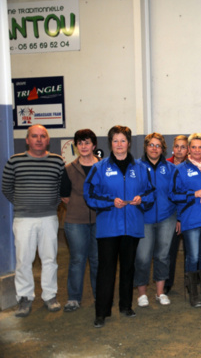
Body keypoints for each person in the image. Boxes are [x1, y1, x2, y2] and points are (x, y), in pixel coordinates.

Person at [84, 125, 154, 328]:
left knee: (128, 267)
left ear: (129, 143)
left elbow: (151, 193)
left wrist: (142, 199)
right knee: (105, 269)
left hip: (132, 226)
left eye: (123, 140)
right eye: (115, 141)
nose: (119, 145)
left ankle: (126, 305)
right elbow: (89, 194)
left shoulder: (141, 168)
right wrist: (109, 201)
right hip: (108, 227)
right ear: (110, 143)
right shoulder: (99, 168)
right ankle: (102, 312)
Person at [2, 125, 65, 317]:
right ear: (27, 140)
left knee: (49, 259)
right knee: (23, 261)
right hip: (24, 219)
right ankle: (25, 298)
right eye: (34, 136)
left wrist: (49, 205)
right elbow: (7, 188)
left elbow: (61, 190)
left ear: (48, 140)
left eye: (43, 136)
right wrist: (24, 204)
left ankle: (49, 296)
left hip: (49, 218)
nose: (39, 139)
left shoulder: (58, 162)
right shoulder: (14, 161)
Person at [170, 133, 201, 307]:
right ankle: (193, 295)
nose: (197, 150)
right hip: (191, 219)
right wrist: (192, 194)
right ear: (189, 149)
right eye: (194, 147)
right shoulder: (180, 169)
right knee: (192, 256)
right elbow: (173, 194)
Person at [134, 133, 177, 307]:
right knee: (143, 257)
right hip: (143, 219)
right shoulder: (135, 167)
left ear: (163, 149)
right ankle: (142, 294)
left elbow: (176, 193)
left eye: (158, 145)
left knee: (163, 256)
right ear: (145, 147)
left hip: (167, 218)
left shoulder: (171, 168)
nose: (154, 148)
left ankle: (160, 293)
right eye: (151, 145)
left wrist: (179, 217)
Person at [60, 129, 100, 312]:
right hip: (75, 222)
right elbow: (65, 196)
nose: (84, 146)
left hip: (101, 221)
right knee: (77, 259)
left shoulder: (103, 167)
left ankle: (100, 295)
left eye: (87, 142)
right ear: (76, 146)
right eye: (80, 143)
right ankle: (73, 298)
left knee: (97, 260)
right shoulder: (68, 169)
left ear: (94, 145)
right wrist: (80, 207)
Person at [164, 135, 189, 295]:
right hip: (169, 215)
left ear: (188, 149)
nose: (180, 150)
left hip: (188, 214)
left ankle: (191, 282)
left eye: (183, 147)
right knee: (169, 251)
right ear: (173, 148)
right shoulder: (164, 165)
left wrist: (181, 217)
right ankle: (166, 283)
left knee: (190, 252)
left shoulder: (192, 166)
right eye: (177, 146)